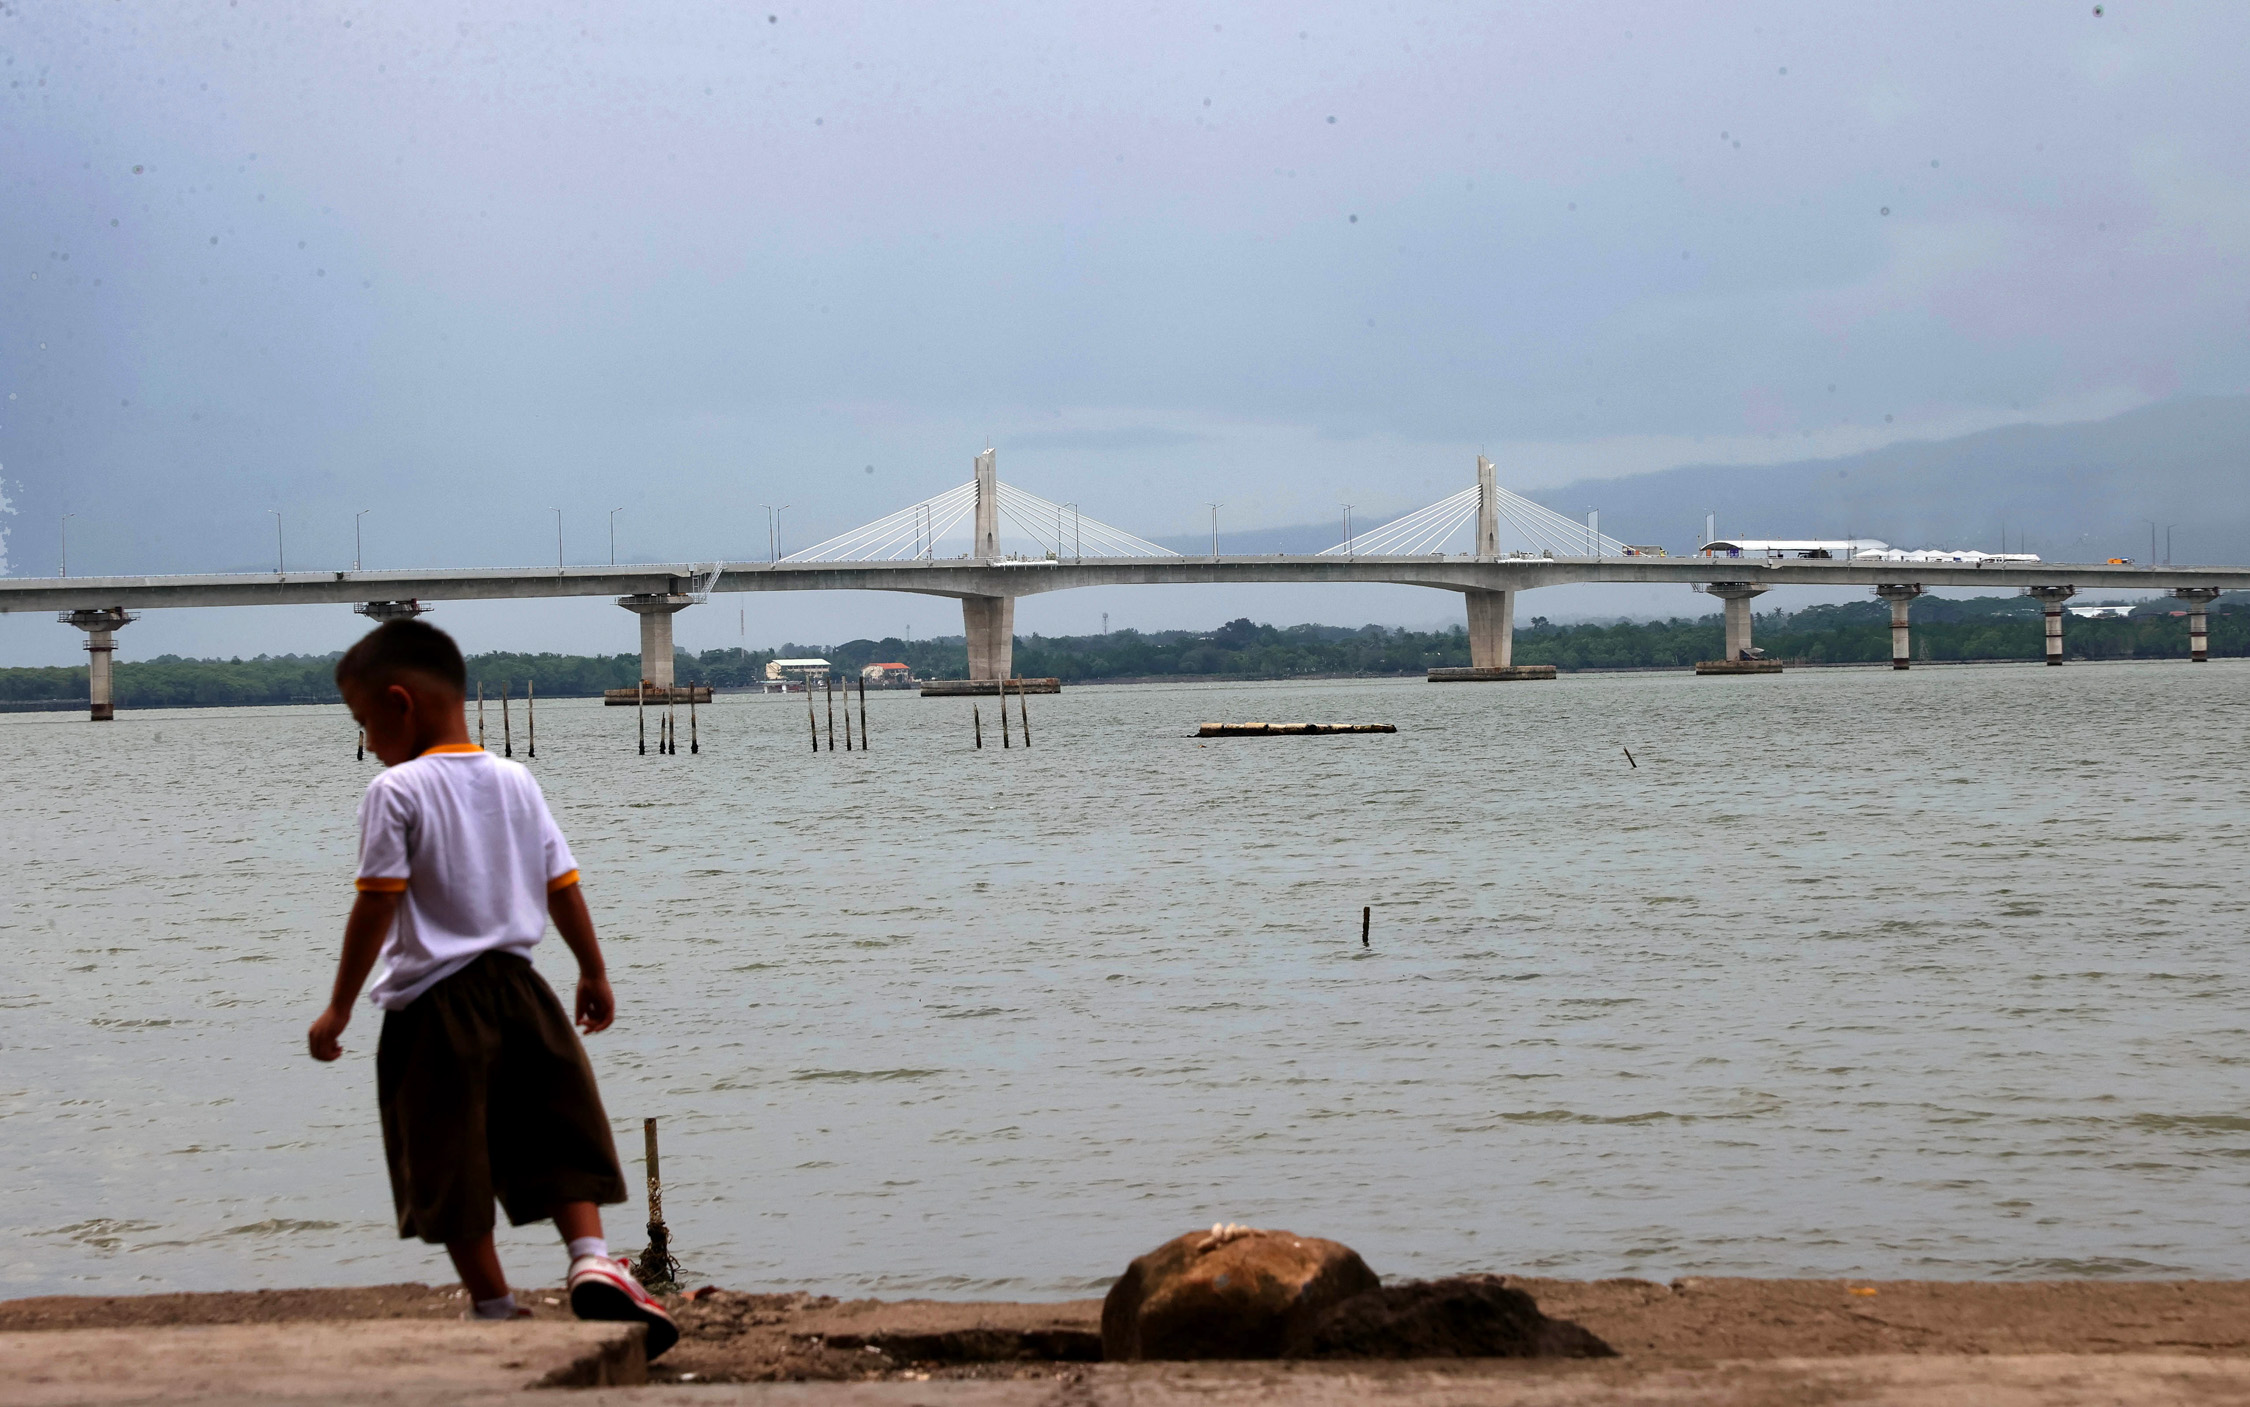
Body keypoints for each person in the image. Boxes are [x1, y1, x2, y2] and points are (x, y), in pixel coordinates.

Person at [307, 619, 676, 1358]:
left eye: (364, 724)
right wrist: (593, 968)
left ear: (401, 703)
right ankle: (590, 1258)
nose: (368, 742)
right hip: (523, 987)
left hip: (432, 1004)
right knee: (560, 1123)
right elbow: (561, 883)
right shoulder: (516, 778)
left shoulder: (394, 789)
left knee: (445, 1156)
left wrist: (340, 1004)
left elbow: (377, 900)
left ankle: (495, 1302)